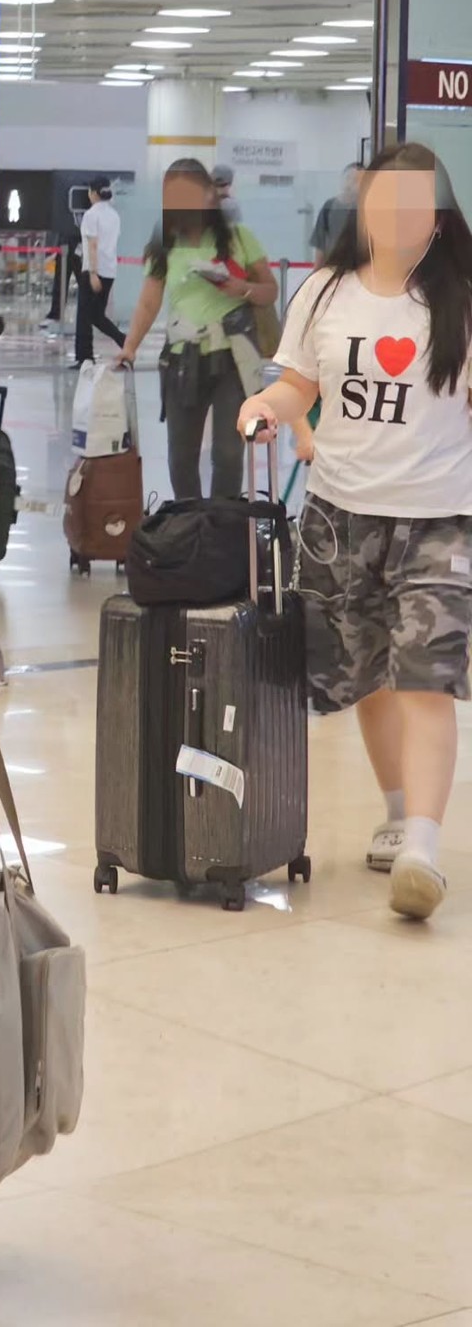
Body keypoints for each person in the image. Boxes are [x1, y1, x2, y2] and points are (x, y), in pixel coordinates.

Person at [239, 141, 472, 923]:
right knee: (367, 672)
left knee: (426, 676)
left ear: (438, 219)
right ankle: (398, 811)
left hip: (441, 516)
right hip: (339, 515)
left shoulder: (460, 301)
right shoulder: (324, 292)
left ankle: (423, 849)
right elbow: (299, 383)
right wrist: (268, 407)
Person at [118, 157, 278, 499]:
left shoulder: (239, 238)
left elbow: (270, 291)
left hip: (233, 358)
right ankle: (189, 523)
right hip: (182, 358)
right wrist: (129, 347)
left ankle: (223, 523)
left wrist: (241, 288)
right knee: (181, 457)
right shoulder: (164, 242)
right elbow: (149, 302)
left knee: (228, 454)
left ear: (208, 196)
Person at [73, 178, 124, 366]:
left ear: (94, 193)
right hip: (109, 270)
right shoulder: (114, 215)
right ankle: (123, 340)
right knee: (96, 315)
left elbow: (93, 245)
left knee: (84, 317)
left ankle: (84, 357)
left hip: (93, 270)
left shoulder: (91, 215)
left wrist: (93, 273)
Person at [312, 161, 362, 265]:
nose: (350, 184)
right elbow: (320, 246)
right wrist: (317, 272)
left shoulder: (365, 210)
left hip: (357, 270)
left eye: (356, 180)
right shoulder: (329, 207)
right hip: (332, 268)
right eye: (348, 178)